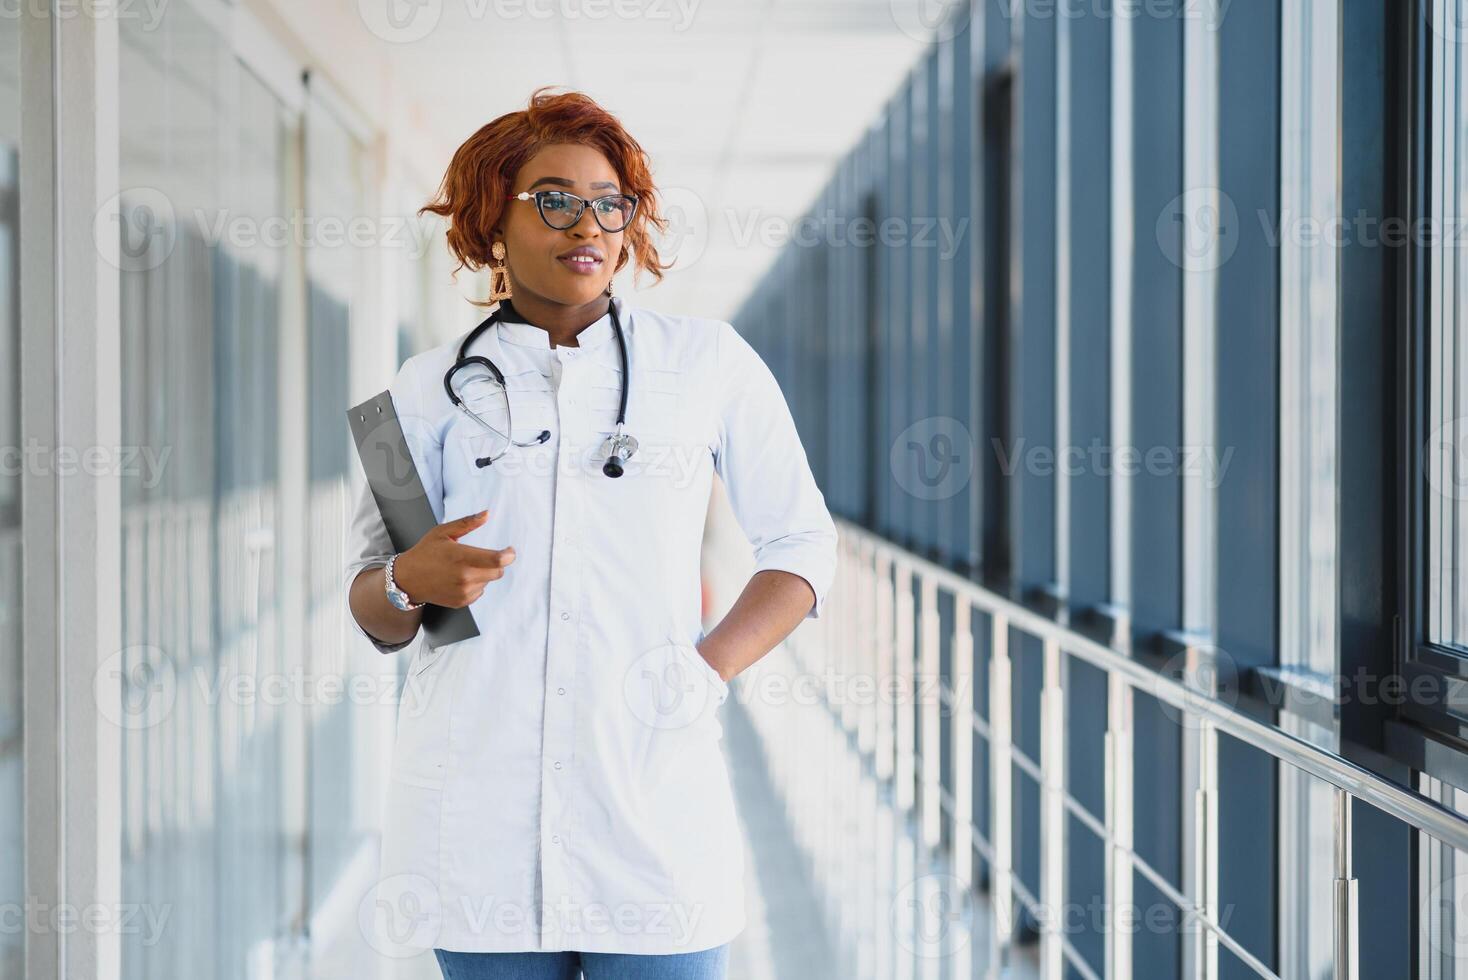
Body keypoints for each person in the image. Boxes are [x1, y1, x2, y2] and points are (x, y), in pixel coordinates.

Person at [343, 85, 838, 980]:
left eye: (611, 204)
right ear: (494, 221)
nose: (590, 225)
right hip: (476, 828)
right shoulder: (415, 393)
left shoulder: (707, 364)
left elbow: (803, 546)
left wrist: (706, 668)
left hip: (654, 810)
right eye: (557, 200)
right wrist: (408, 580)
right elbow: (374, 605)